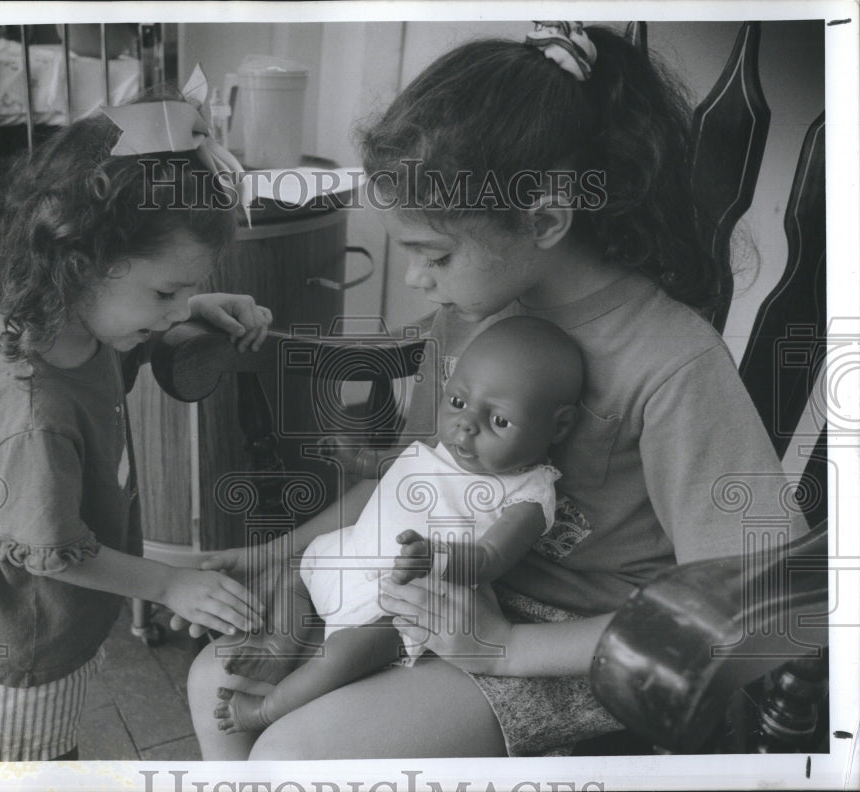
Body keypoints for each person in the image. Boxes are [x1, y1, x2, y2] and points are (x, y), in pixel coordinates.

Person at [187, 22, 808, 758]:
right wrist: (275, 553)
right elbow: (413, 481)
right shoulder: (471, 319)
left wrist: (509, 646)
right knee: (213, 678)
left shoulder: (671, 362)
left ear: (543, 219)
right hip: (440, 590)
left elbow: (770, 602)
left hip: (573, 642)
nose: (417, 280)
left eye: (434, 253)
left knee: (296, 752)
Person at [0, 87, 273, 762]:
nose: (178, 311)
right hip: (23, 651)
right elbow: (49, 550)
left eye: (187, 289)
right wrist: (168, 582)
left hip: (59, 627)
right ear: (79, 263)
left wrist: (192, 307)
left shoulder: (76, 328)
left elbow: (122, 339)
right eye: (165, 291)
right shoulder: (35, 412)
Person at [211, 317, 583, 733]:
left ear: (559, 426)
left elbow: (490, 558)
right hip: (353, 552)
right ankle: (281, 645)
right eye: (458, 403)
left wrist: (436, 559)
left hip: (404, 599)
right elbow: (394, 466)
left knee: (342, 656)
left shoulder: (528, 493)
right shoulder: (449, 446)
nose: (467, 425)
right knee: (297, 566)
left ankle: (266, 710)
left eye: (499, 421)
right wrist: (358, 460)